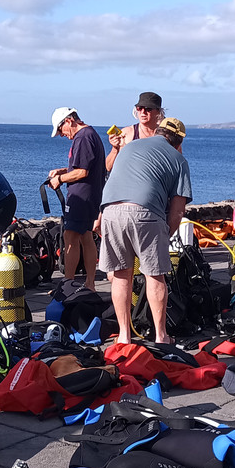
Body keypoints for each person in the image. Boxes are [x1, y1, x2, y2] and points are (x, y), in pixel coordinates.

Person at [98, 118, 192, 345]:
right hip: (145, 213)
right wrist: (164, 236)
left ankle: (123, 337)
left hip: (110, 210)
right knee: (154, 275)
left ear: (157, 133)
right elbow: (178, 212)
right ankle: (161, 336)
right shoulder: (179, 160)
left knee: (120, 276)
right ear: (178, 143)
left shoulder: (129, 147)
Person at [48, 107, 106, 291]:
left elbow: (82, 171)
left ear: (69, 121)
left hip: (81, 196)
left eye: (60, 130)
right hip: (91, 195)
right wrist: (63, 170)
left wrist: (59, 179)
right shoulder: (91, 134)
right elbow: (83, 165)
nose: (61, 135)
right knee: (86, 236)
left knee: (70, 237)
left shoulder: (83, 137)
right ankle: (89, 283)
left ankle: (67, 284)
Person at [106, 92, 166, 171]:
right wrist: (115, 148)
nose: (143, 112)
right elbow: (108, 167)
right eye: (139, 108)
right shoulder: (127, 134)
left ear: (158, 111)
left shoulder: (166, 135)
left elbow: (177, 164)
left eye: (148, 109)